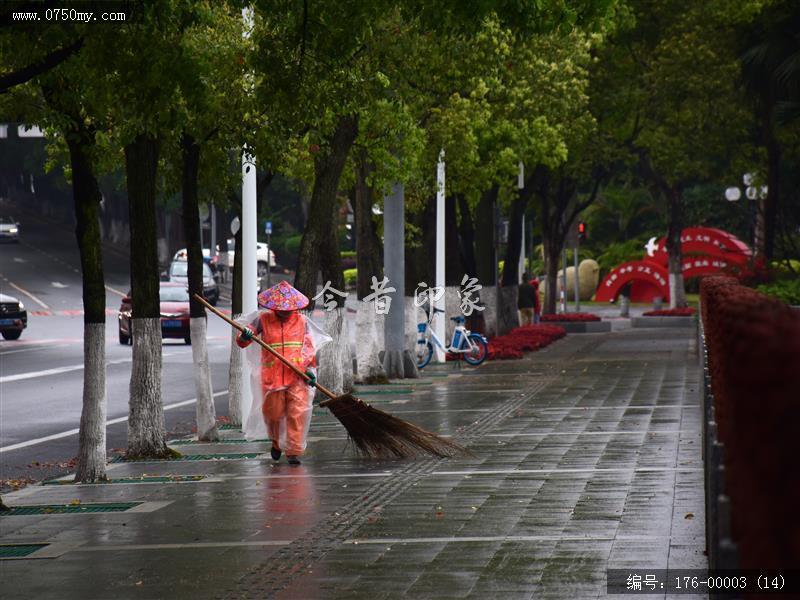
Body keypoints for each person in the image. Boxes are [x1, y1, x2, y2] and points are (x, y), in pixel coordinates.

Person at [236, 280, 322, 466]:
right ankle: (275, 442)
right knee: (273, 415)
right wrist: (244, 335)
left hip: (297, 376)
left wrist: (310, 370)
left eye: (289, 308)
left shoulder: (301, 322)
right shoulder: (262, 320)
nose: (285, 311)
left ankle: (293, 452)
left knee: (297, 413)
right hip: (272, 377)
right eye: (281, 308)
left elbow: (309, 348)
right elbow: (243, 341)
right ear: (274, 307)